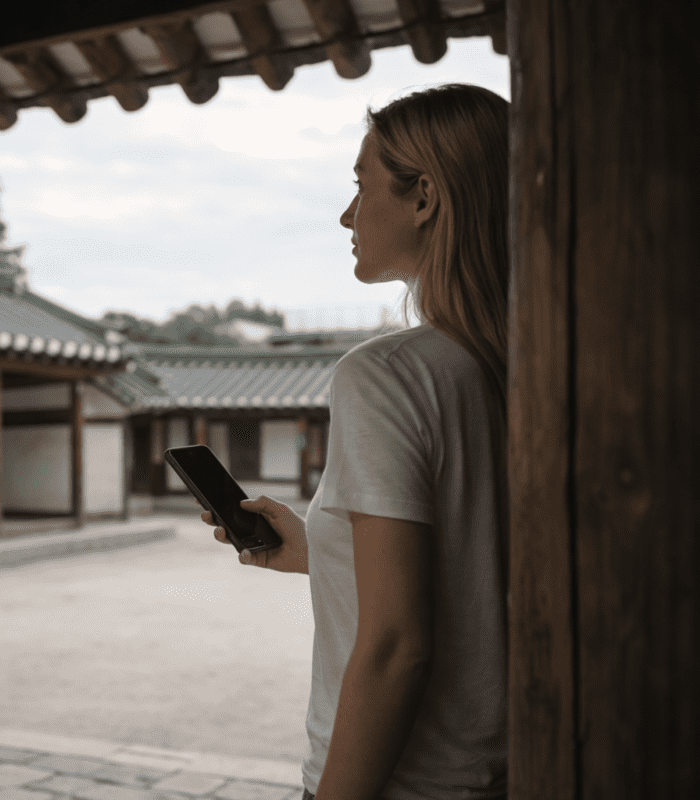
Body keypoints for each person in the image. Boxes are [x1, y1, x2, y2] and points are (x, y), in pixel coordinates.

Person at [202, 84, 510, 800]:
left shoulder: (387, 374)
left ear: (424, 197)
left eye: (361, 185)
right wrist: (323, 551)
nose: (347, 214)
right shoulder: (532, 366)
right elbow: (478, 567)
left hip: (413, 782)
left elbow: (397, 647)